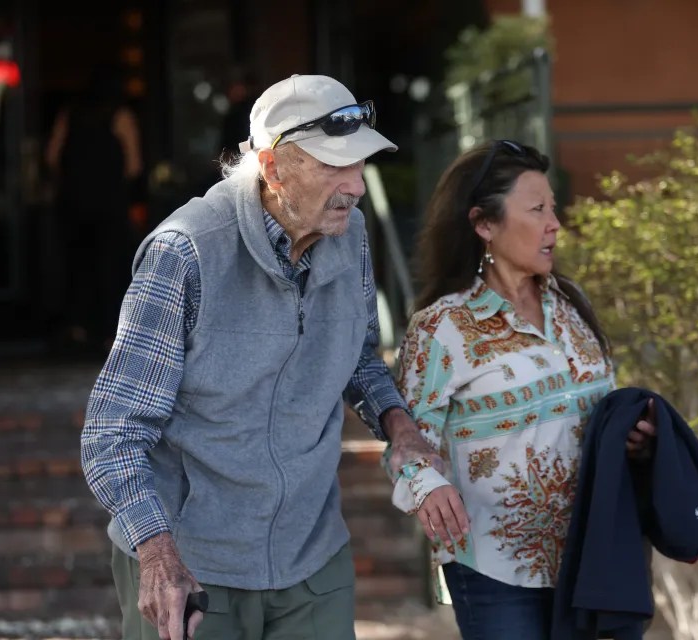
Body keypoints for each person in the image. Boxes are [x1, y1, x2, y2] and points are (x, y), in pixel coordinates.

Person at [80, 74, 463, 640]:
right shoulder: (183, 253)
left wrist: (398, 426)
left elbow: (355, 354)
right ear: (274, 167)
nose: (356, 187)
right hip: (192, 566)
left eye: (361, 166)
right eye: (336, 166)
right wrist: (158, 555)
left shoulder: (348, 232)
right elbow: (111, 434)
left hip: (311, 556)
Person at [386, 140, 657, 640]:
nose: (555, 223)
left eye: (553, 208)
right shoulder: (441, 328)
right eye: (537, 210)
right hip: (494, 568)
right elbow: (407, 444)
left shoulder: (571, 304)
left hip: (590, 555)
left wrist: (634, 441)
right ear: (484, 224)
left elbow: (598, 415)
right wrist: (428, 488)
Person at [45, 63, 143, 351]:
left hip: (74, 201)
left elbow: (52, 155)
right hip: (109, 201)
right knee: (111, 266)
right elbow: (134, 164)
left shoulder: (70, 112)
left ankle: (77, 327)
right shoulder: (121, 115)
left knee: (77, 264)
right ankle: (110, 331)